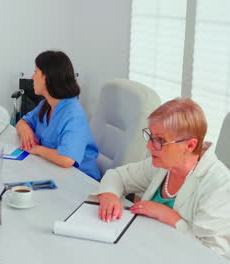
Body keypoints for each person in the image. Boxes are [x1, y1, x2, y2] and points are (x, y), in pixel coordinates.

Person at [96, 98, 230, 258]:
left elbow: (213, 254)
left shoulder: (219, 186)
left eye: (160, 140)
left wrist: (172, 219)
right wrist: (109, 195)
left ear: (190, 145)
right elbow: (117, 176)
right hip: (141, 250)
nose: (149, 146)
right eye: (150, 136)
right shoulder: (163, 164)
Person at [15, 51, 100, 180]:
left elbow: (67, 159)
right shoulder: (46, 104)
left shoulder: (73, 113)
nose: (32, 78)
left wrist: (37, 149)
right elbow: (22, 122)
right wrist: (26, 130)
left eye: (35, 72)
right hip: (54, 171)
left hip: (82, 180)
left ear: (47, 77)